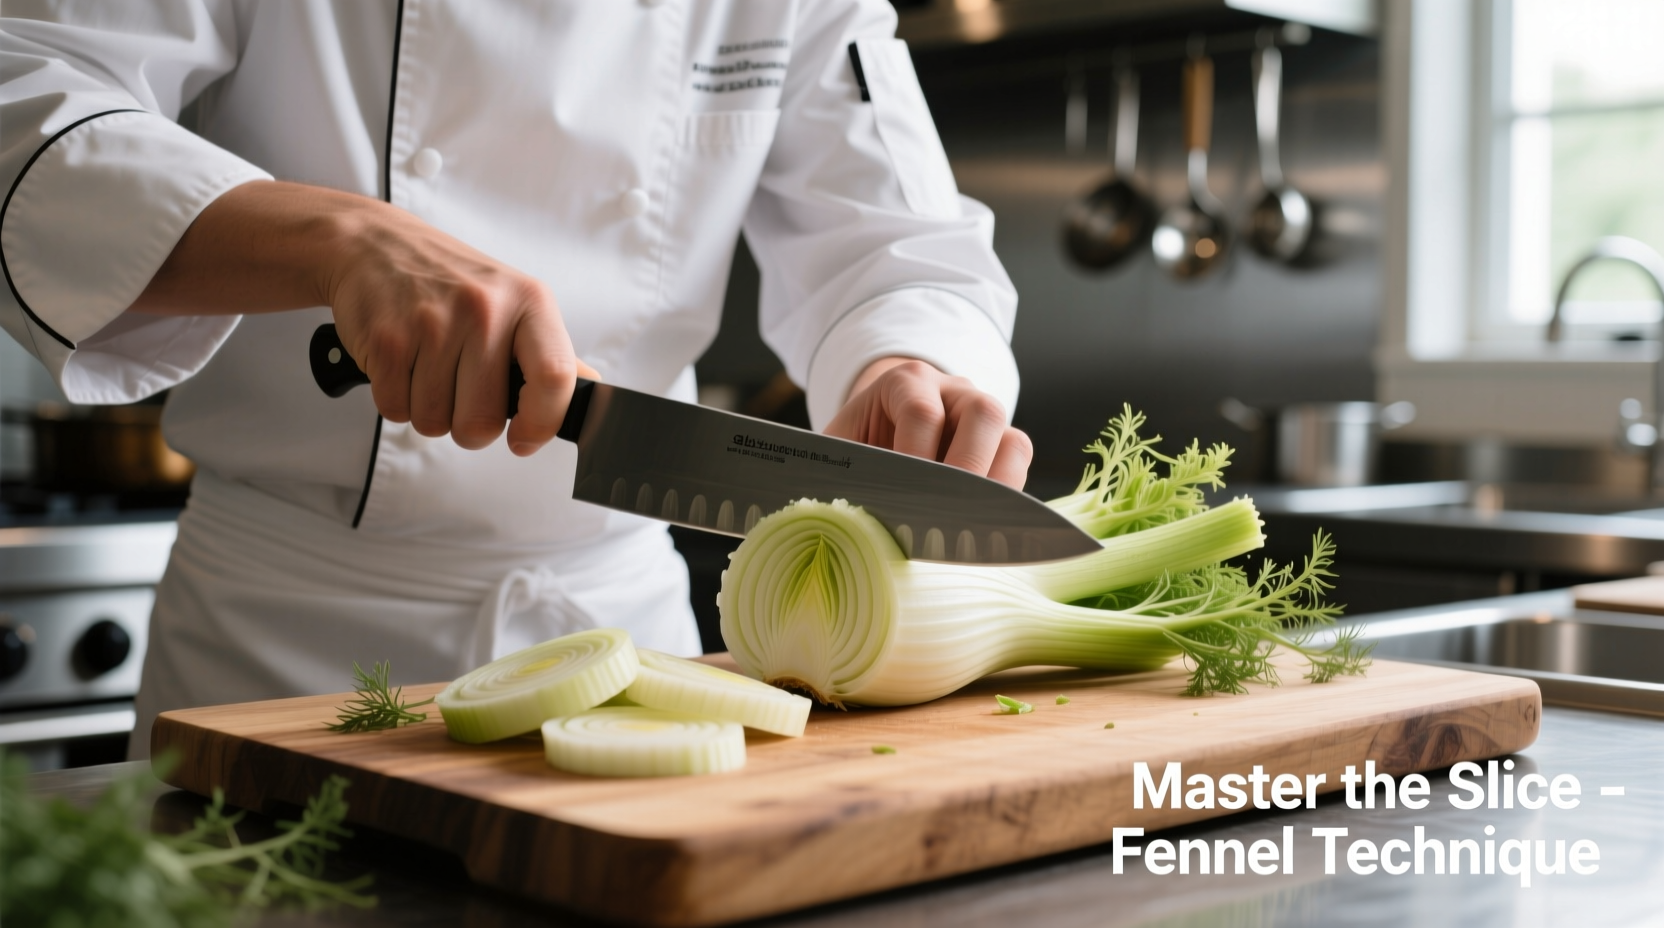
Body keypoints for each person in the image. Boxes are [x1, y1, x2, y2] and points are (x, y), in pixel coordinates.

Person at [0, 1, 1030, 757]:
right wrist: (343, 239)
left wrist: (911, 359)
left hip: (632, 658)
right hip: (283, 655)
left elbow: (897, 240)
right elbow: (27, 92)